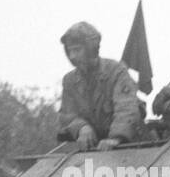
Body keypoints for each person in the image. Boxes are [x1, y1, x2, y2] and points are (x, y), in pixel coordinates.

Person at [57, 22, 142, 151]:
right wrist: (81, 127)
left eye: (77, 49)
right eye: (69, 51)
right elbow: (67, 115)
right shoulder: (70, 81)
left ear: (91, 49)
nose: (72, 56)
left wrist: (116, 137)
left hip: (131, 146)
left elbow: (127, 108)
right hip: (93, 148)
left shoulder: (116, 71)